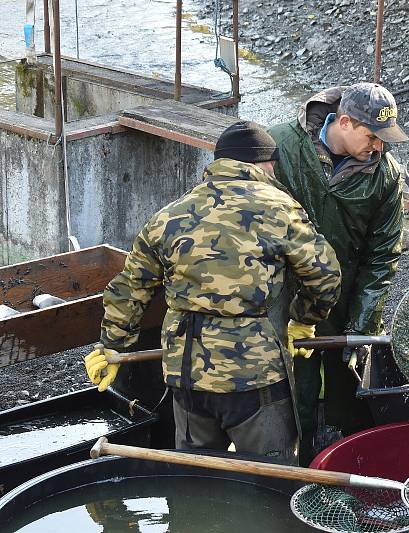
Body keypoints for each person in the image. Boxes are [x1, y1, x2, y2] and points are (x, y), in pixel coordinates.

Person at [83, 121, 341, 464]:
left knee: (196, 480)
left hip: (188, 376)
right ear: (263, 164)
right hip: (255, 375)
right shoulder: (280, 208)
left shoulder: (169, 216)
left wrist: (112, 347)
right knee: (270, 480)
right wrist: (302, 319)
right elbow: (325, 276)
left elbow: (129, 289)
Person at [268, 82, 409, 465]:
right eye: (372, 136)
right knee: (289, 390)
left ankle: (342, 461)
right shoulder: (280, 145)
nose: (379, 147)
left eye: (385, 139)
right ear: (343, 122)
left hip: (342, 298)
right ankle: (292, 464)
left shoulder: (387, 177)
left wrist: (362, 325)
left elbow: (382, 258)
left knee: (346, 389)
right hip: (281, 296)